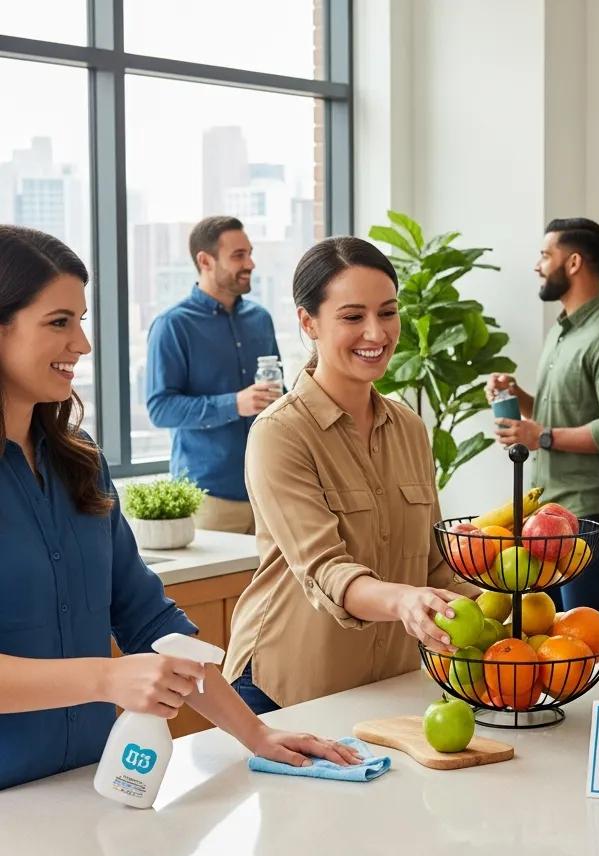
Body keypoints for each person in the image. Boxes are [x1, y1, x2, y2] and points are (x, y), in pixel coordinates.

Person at [0, 225, 360, 792]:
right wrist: (106, 678)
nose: (83, 345)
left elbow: (148, 619)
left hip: (85, 789)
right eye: (58, 322)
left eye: (81, 320)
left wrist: (257, 735)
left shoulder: (80, 462)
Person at [223, 237, 474, 714]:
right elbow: (324, 569)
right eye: (353, 317)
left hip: (386, 689)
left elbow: (435, 565)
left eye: (388, 312)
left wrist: (518, 615)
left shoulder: (410, 430)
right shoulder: (280, 433)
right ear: (308, 322)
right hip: (284, 692)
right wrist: (403, 602)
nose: (377, 334)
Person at [486, 218, 599, 612]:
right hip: (546, 515)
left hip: (585, 520)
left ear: (573, 263)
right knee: (547, 633)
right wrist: (518, 396)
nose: (537, 266)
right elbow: (562, 411)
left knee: (581, 637)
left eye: (545, 255)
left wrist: (539, 437)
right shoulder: (563, 331)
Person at [146, 216, 282, 535]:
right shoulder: (173, 325)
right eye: (238, 255)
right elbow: (160, 408)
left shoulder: (260, 319)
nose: (250, 263)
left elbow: (278, 390)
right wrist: (234, 404)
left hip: (270, 493)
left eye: (249, 253)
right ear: (205, 261)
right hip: (211, 498)